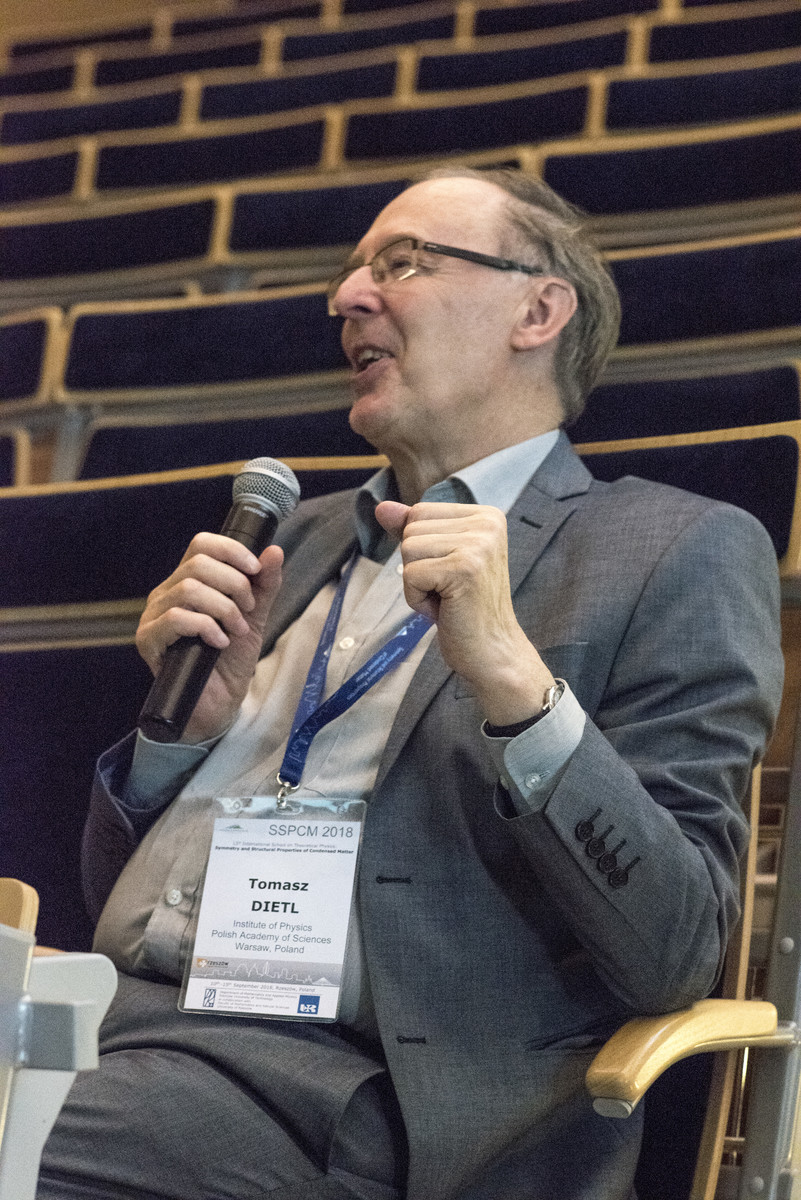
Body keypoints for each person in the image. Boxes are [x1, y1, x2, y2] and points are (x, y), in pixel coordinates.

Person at [39, 167, 783, 1200]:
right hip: (104, 1018)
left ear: (537, 311)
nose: (347, 299)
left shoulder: (670, 549)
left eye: (402, 264)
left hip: (351, 1096)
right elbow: (116, 892)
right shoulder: (294, 540)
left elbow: (677, 947)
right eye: (351, 274)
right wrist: (181, 745)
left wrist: (518, 686)